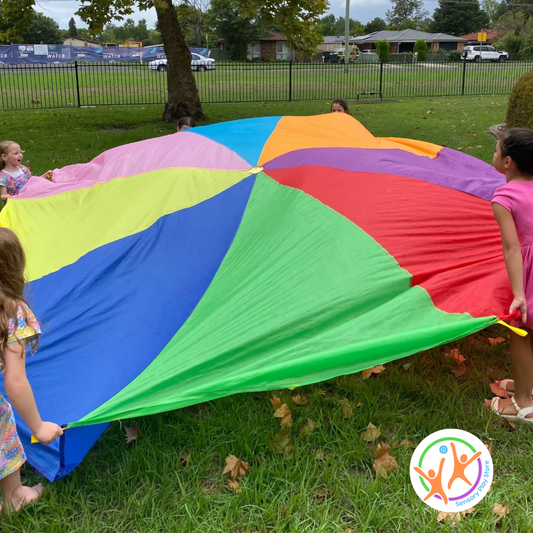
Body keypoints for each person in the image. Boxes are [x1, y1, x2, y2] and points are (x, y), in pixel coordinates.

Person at [0, 227, 63, 512]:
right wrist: (38, 427)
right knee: (3, 430)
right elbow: (15, 381)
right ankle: (15, 496)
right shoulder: (11, 312)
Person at [485, 128, 533, 423]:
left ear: (508, 162)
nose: (494, 153)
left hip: (528, 273)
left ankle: (524, 404)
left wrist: (518, 294)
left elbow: (512, 248)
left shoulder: (503, 196)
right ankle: (528, 384)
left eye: (496, 150)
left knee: (520, 332)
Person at [0, 141, 52, 205]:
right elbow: (3, 195)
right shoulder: (3, 176)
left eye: (20, 152)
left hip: (27, 203)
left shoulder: (23, 169)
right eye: (16, 153)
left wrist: (45, 175)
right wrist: (5, 197)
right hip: (15, 207)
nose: (20, 155)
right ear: (4, 157)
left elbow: (32, 182)